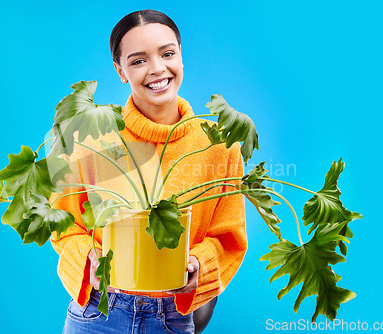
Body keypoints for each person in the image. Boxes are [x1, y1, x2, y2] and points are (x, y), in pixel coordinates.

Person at [49, 9, 247, 334]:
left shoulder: (219, 144)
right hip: (98, 312)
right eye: (138, 60)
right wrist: (88, 260)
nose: (157, 69)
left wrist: (198, 264)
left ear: (181, 57)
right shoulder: (90, 139)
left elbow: (228, 235)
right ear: (121, 70)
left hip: (172, 315)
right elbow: (63, 224)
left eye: (167, 53)